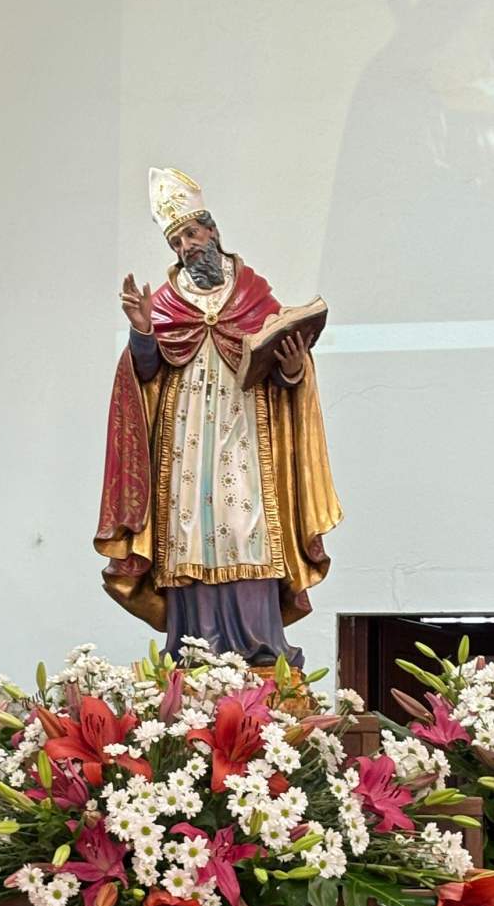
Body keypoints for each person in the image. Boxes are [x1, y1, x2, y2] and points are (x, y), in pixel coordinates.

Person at [95, 168, 342, 666]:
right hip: (185, 442)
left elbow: (284, 375)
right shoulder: (165, 303)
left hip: (246, 433)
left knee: (246, 524)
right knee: (188, 529)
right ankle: (196, 649)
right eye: (177, 241)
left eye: (191, 233)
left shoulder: (254, 293)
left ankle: (260, 646)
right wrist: (143, 331)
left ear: (212, 230)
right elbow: (146, 373)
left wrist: (293, 367)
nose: (187, 246)